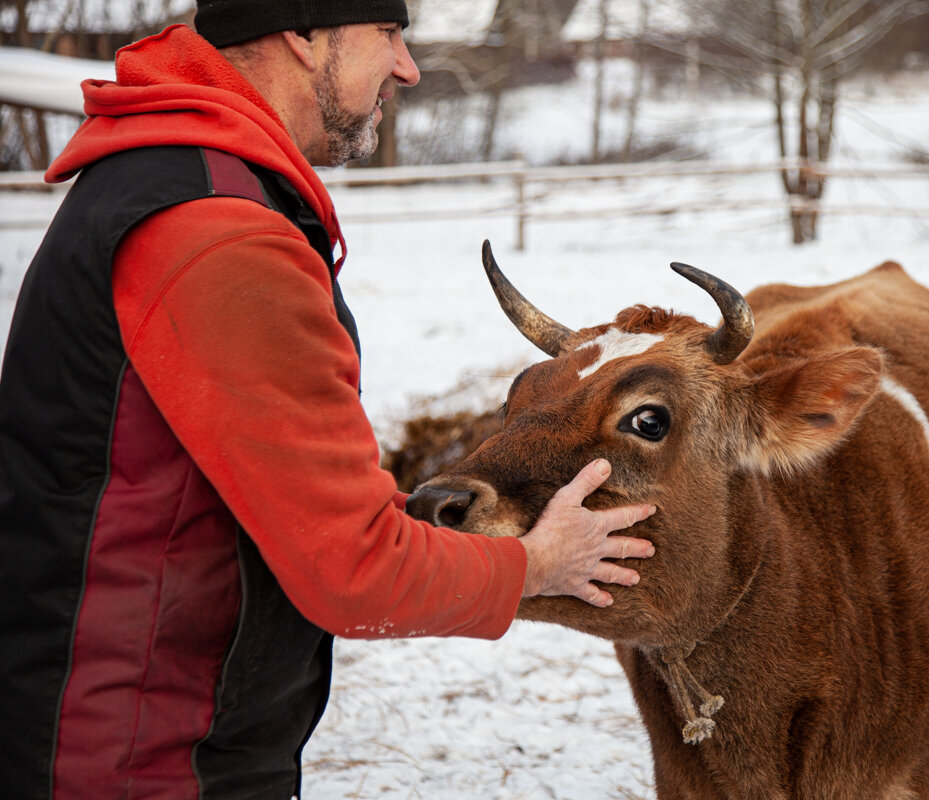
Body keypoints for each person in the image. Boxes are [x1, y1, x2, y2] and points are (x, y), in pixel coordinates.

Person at [0, 2, 656, 797]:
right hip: (150, 757)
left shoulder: (172, 180)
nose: (407, 67)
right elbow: (356, 568)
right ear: (302, 33)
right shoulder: (220, 235)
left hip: (123, 724)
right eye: (387, 32)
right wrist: (538, 562)